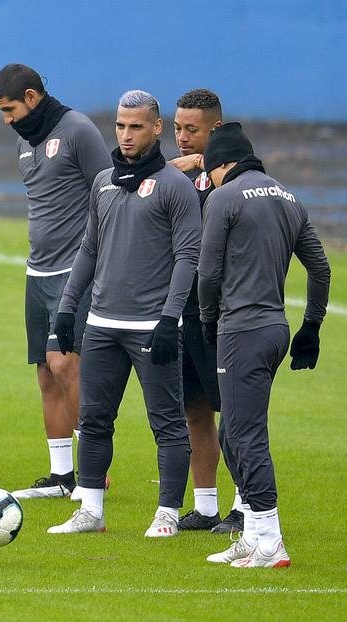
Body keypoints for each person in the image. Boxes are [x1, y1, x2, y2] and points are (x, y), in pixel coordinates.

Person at [47, 90, 200, 537]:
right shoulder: (103, 183)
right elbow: (89, 249)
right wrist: (67, 308)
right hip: (101, 325)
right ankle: (90, 511)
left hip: (151, 327)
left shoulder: (176, 186)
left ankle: (167, 513)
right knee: (94, 419)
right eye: (119, 125)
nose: (126, 134)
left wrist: (171, 318)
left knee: (167, 422)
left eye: (136, 126)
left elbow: (188, 257)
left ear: (157, 128)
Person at [199, 122, 329, 568]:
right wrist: (311, 327)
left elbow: (208, 273)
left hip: (241, 331)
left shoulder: (223, 198)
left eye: (210, 171)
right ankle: (253, 534)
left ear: (222, 165)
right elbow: (320, 268)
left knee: (243, 433)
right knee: (231, 431)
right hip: (275, 330)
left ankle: (271, 540)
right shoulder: (288, 197)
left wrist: (207, 320)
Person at [0, 64, 110, 500]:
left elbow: (110, 192)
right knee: (44, 372)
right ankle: (62, 477)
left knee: (66, 365)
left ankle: (94, 469)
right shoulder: (26, 141)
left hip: (74, 271)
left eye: (10, 109)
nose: (7, 119)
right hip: (36, 271)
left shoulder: (77, 130)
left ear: (32, 97)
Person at [168, 88, 243, 533]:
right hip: (185, 312)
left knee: (234, 414)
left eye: (191, 130)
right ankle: (207, 505)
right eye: (177, 128)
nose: (181, 137)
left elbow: (250, 183)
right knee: (194, 409)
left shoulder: (234, 171)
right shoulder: (176, 175)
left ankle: (245, 505)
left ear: (215, 129)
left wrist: (202, 165)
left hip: (224, 314)